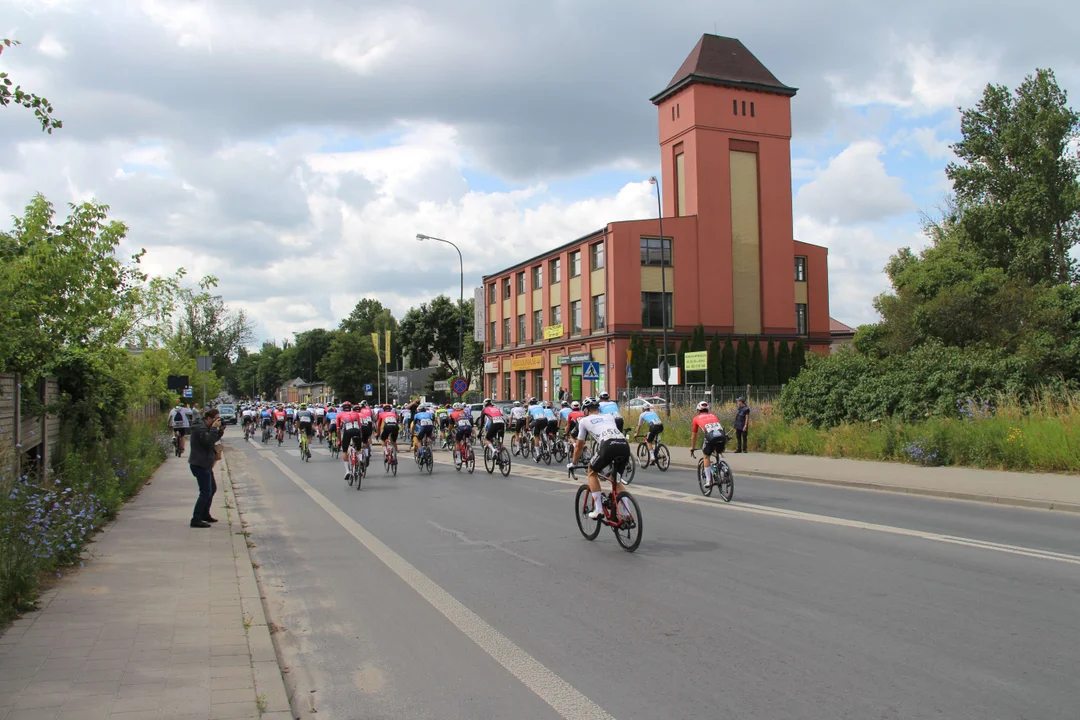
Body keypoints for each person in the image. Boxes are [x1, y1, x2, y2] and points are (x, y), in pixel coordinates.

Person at [568, 397, 631, 519]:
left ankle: (598, 509)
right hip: (624, 445)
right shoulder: (609, 416)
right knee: (615, 480)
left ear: (585, 411)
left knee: (592, 471)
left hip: (608, 445)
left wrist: (573, 463)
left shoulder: (584, 421)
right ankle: (626, 512)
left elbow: (579, 446)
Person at [189, 408, 224, 528]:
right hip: (199, 463)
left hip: (205, 464)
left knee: (212, 489)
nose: (217, 421)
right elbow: (208, 440)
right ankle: (196, 518)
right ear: (209, 418)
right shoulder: (199, 428)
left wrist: (219, 431)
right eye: (216, 419)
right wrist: (214, 429)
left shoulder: (206, 427)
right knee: (205, 492)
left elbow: (213, 438)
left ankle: (205, 514)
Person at [689, 401, 728, 490]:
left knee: (706, 456)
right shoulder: (713, 415)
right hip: (721, 435)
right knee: (719, 451)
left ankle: (709, 480)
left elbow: (694, 435)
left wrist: (693, 447)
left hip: (710, 436)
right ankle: (724, 469)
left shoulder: (696, 418)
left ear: (698, 410)